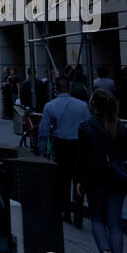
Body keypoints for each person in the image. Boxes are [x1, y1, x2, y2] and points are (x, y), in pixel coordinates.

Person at [77, 89, 127, 253]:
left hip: (94, 179)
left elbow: (82, 158)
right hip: (116, 179)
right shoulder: (121, 127)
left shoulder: (85, 127)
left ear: (93, 105)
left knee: (97, 219)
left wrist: (80, 182)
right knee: (115, 224)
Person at [38, 76, 91, 225]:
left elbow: (43, 131)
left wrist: (42, 152)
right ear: (69, 88)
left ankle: (66, 210)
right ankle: (78, 207)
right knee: (79, 178)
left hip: (61, 145)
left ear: (56, 88)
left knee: (63, 180)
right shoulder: (82, 106)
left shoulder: (50, 106)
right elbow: (88, 126)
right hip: (79, 144)